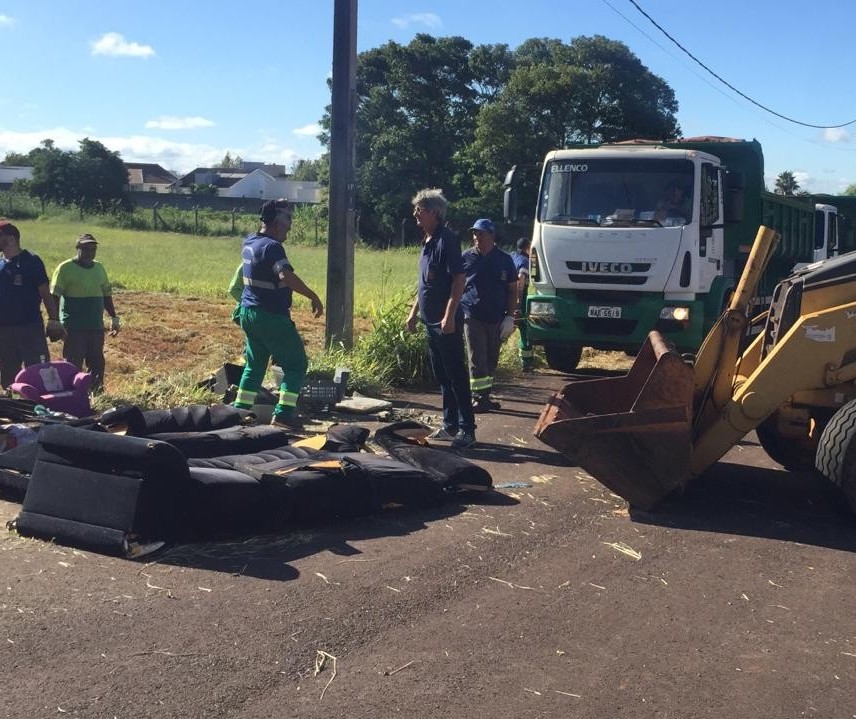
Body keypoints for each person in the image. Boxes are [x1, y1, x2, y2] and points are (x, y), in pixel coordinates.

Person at [232, 198, 323, 429]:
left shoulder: (249, 242)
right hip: (271, 316)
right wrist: (312, 295)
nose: (290, 225)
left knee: (254, 366)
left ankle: (237, 414)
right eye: (287, 219)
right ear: (274, 221)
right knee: (296, 365)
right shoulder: (272, 247)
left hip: (248, 313)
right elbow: (286, 276)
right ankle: (283, 416)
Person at [405, 188, 476, 449]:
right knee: (443, 375)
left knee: (456, 374)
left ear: (434, 212)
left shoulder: (448, 239)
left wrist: (449, 316)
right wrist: (413, 313)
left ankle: (467, 429)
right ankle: (450, 425)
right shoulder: (427, 241)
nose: (415, 214)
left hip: (445, 321)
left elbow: (459, 279)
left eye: (419, 209)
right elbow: (424, 284)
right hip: (429, 320)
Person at [0, 219, 65, 390]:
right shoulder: (0, 263)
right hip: (5, 330)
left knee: (38, 369)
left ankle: (41, 405)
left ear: (11, 239)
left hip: (29, 327)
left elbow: (45, 292)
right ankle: (14, 405)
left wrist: (54, 319)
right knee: (8, 372)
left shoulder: (32, 261)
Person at [50, 233, 120, 392]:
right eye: (86, 249)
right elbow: (54, 297)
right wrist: (54, 321)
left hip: (95, 326)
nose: (90, 252)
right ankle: (72, 395)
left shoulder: (99, 268)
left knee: (97, 363)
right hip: (73, 327)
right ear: (78, 249)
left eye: (93, 249)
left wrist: (114, 317)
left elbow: (106, 295)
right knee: (73, 364)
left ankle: (96, 395)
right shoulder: (65, 268)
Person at [461, 219, 517, 413]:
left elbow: (512, 290)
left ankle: (485, 396)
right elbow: (456, 284)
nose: (477, 237)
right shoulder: (466, 258)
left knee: (492, 359)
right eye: (475, 234)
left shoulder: (504, 260)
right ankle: (477, 398)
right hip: (472, 316)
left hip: (496, 318)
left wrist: (510, 317)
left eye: (481, 234)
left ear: (492, 236)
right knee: (477, 358)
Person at [511, 237, 534, 371]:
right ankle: (527, 363)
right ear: (527, 247)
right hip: (520, 299)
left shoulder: (512, 256)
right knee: (525, 329)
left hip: (505, 297)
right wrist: (518, 303)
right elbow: (521, 281)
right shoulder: (525, 262)